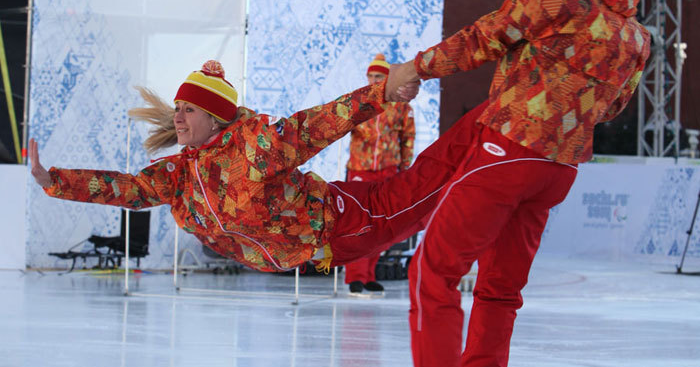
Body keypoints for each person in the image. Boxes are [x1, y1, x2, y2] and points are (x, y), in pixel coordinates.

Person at [367, 0, 651, 367]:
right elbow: (614, 107)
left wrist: (414, 68)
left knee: (435, 270)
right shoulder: (635, 36)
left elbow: (486, 37)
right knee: (499, 287)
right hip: (559, 167)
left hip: (508, 150)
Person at [28, 60, 427, 274]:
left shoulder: (255, 146)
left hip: (342, 221)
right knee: (438, 194)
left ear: (216, 119)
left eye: (189, 110)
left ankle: (485, 157)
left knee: (438, 188)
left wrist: (384, 92)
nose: (178, 118)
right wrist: (55, 181)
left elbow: (321, 123)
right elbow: (128, 188)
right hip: (313, 253)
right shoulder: (180, 174)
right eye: (178, 108)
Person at [343, 53, 415, 295]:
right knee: (359, 225)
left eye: (378, 76)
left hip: (388, 169)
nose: (373, 80)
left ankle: (369, 274)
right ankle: (355, 276)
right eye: (370, 75)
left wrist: (404, 169)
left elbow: (408, 138)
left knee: (382, 225)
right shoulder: (358, 101)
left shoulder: (401, 106)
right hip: (360, 169)